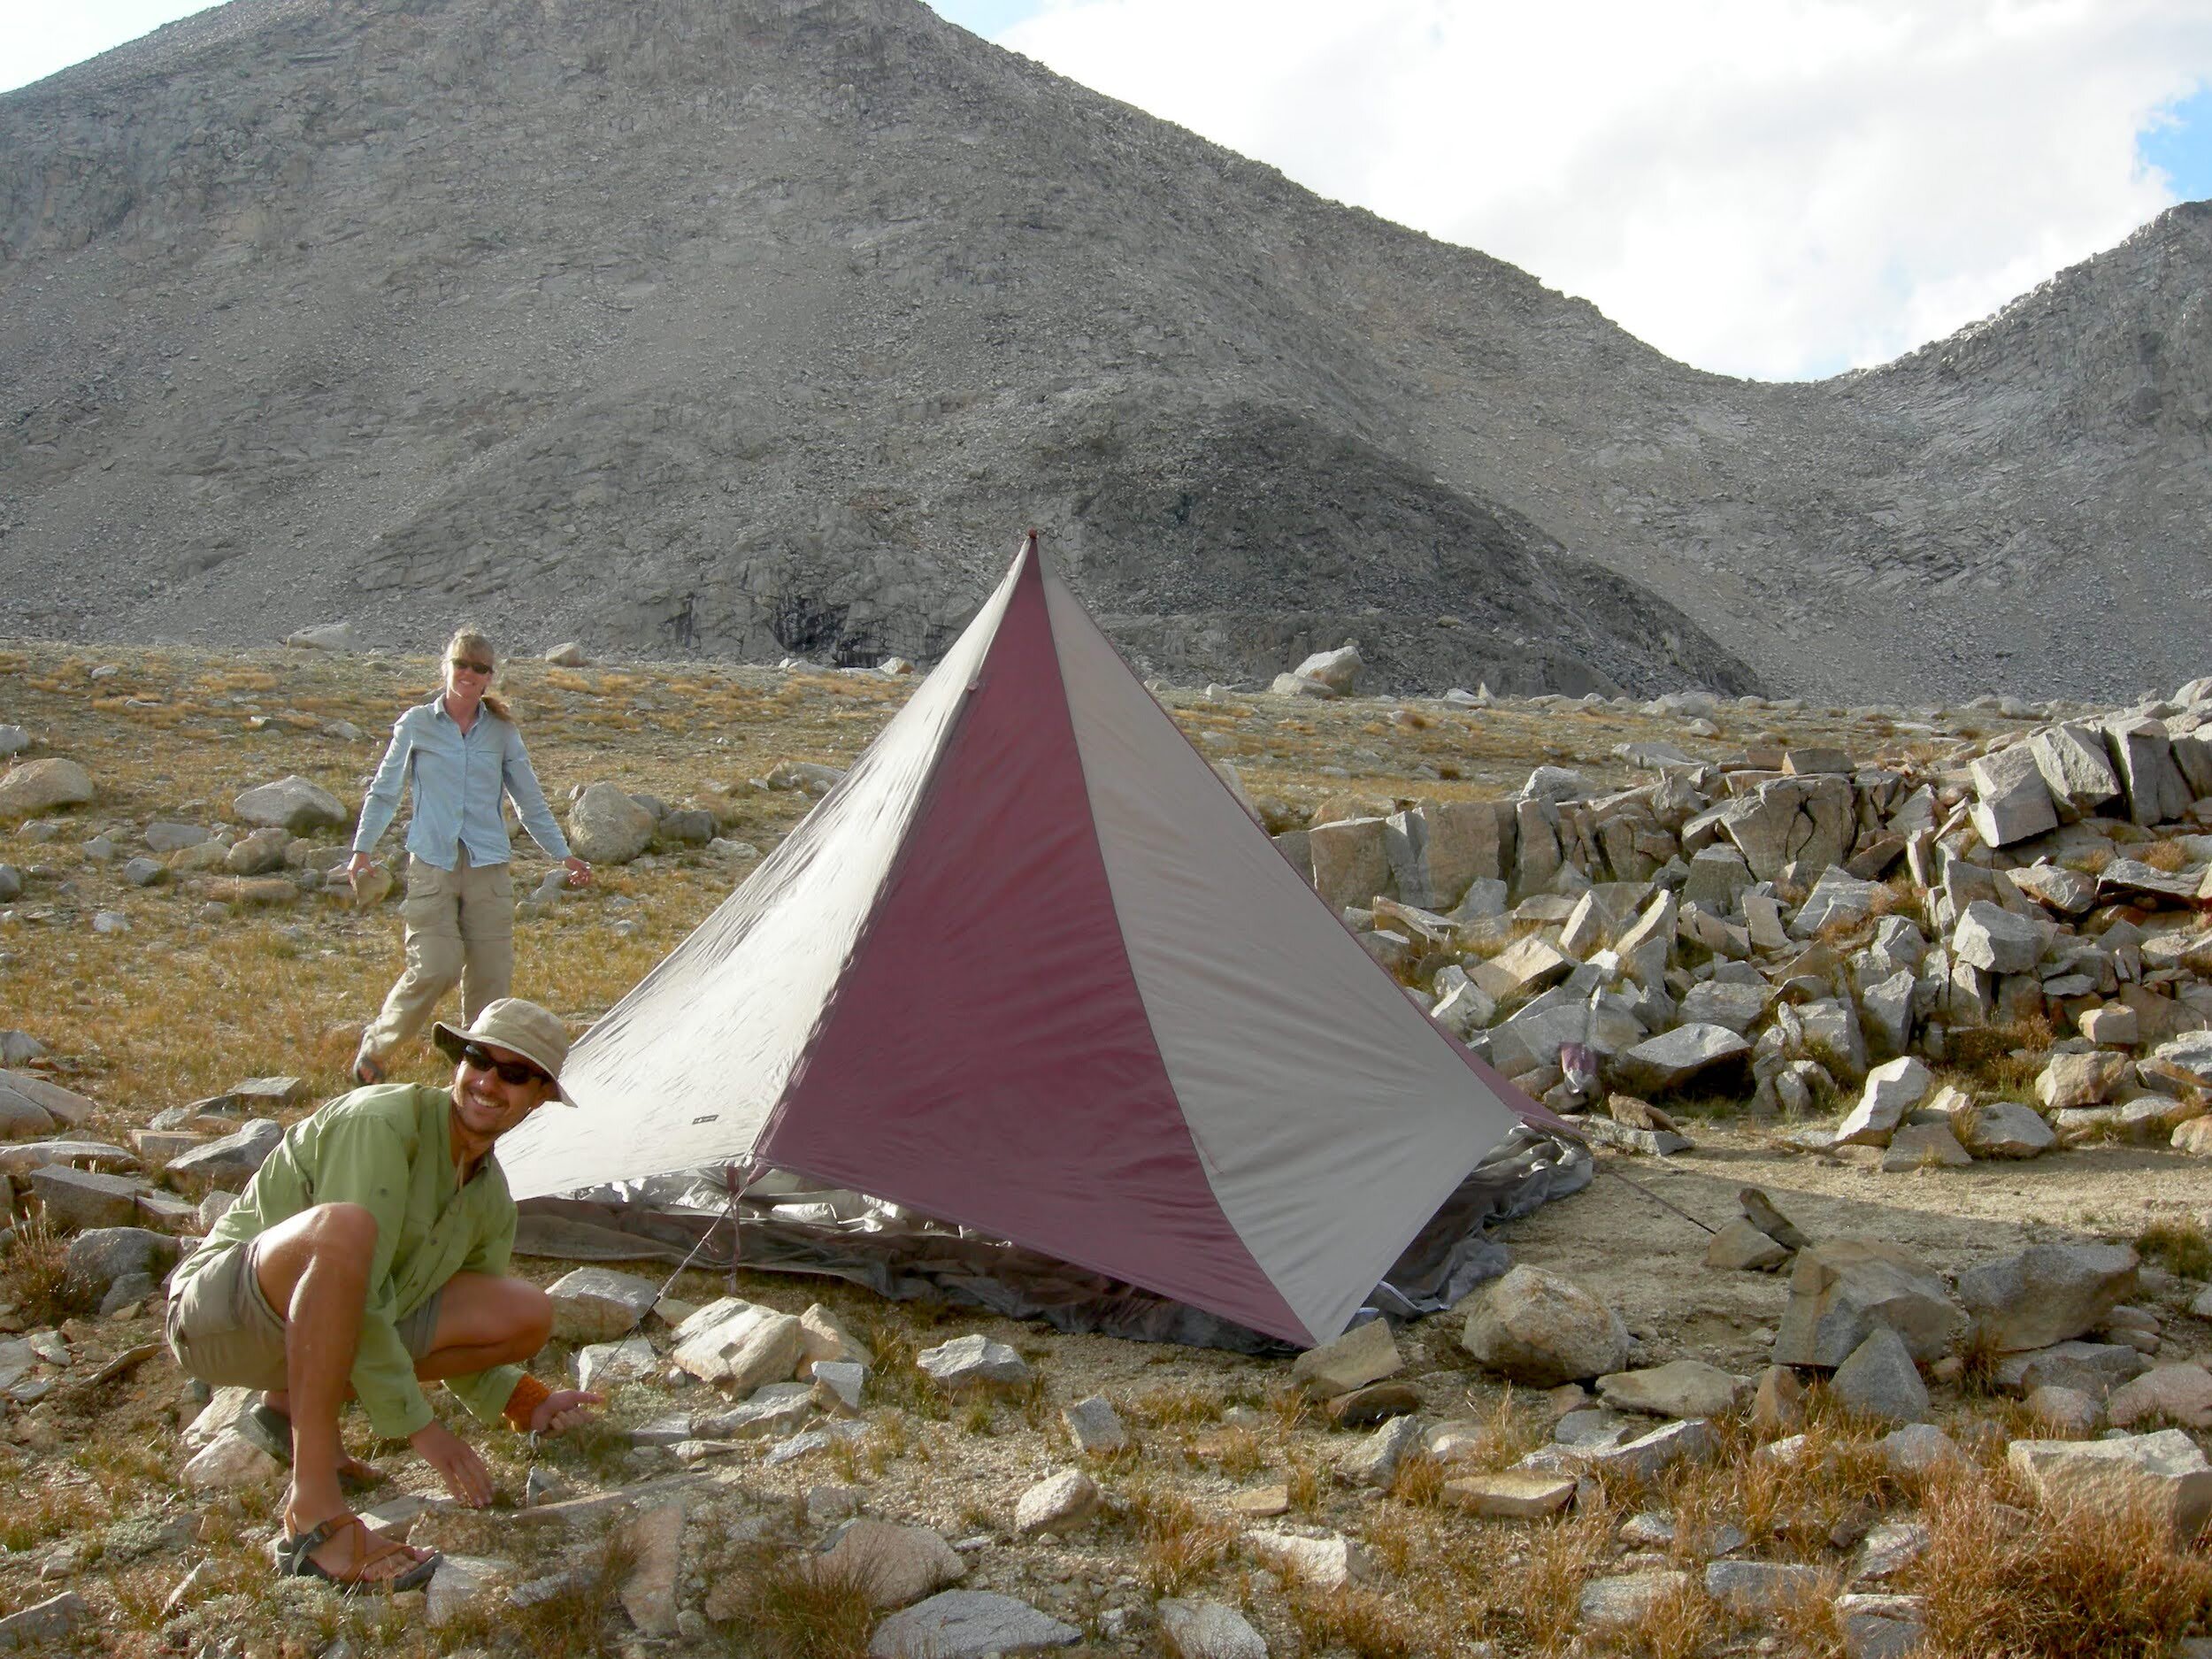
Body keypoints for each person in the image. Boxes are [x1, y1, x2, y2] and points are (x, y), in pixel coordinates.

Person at [165, 999, 605, 1588]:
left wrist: (524, 1401)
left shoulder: (490, 1197)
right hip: (220, 1315)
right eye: (478, 1057)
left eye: (515, 1072)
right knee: (344, 1229)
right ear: (458, 1061)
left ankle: (287, 1406)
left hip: (308, 1332)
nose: (488, 1081)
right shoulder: (383, 1121)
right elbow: (352, 1275)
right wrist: (420, 1425)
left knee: (525, 1312)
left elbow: (449, 1319)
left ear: (540, 1095)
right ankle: (312, 1513)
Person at [345, 626, 590, 1086]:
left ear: (489, 677)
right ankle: (376, 1046)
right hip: (432, 866)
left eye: (480, 668)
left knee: (490, 981)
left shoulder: (501, 731)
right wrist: (362, 850)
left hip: (488, 868)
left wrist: (563, 855)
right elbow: (385, 791)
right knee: (435, 966)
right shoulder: (416, 723)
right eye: (462, 664)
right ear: (447, 666)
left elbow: (528, 799)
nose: (469, 674)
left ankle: (473, 1079)